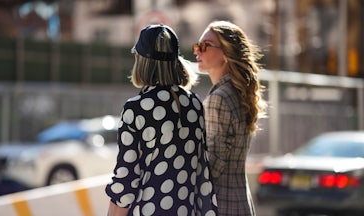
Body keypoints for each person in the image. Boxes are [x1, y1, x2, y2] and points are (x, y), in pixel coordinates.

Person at [105, 24, 217, 216]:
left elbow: (125, 183)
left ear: (140, 60)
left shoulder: (136, 109)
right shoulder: (195, 104)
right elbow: (201, 174)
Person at [193, 20, 267, 216]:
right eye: (197, 46)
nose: (197, 51)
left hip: (220, 206)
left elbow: (213, 166)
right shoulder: (237, 93)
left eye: (205, 46)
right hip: (240, 201)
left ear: (226, 54)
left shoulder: (219, 98)